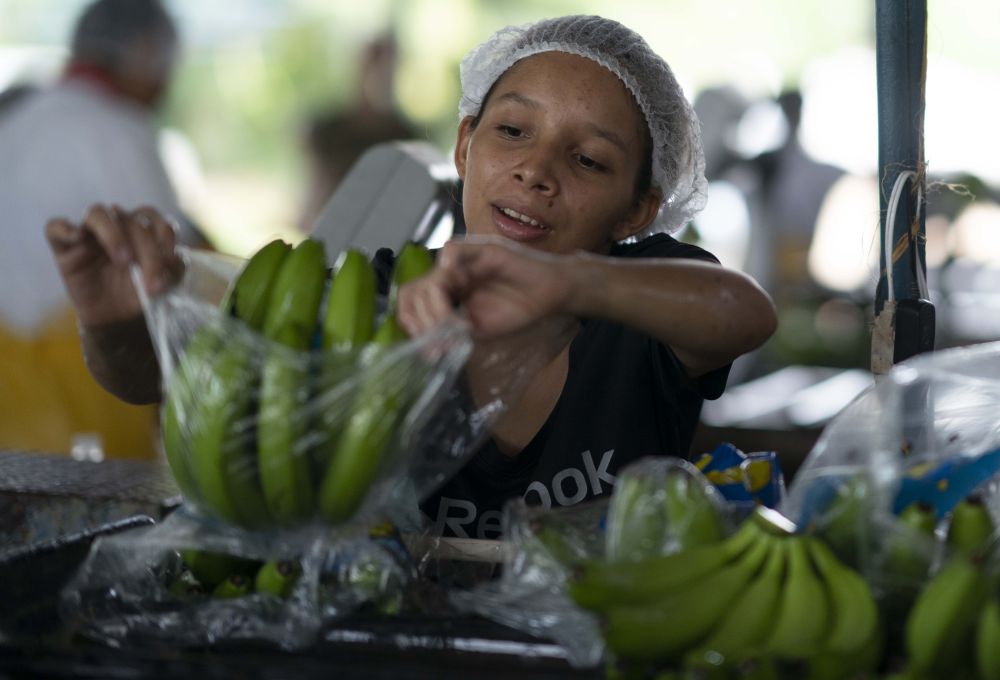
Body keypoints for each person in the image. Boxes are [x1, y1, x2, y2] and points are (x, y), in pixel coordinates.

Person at [44, 16, 776, 534]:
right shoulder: (367, 299)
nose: (535, 170)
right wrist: (115, 320)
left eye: (588, 160)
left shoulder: (643, 307)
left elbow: (744, 313)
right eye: (512, 131)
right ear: (464, 145)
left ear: (638, 209)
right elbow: (150, 379)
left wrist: (576, 285)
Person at [0, 0, 202, 458]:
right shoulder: (119, 128)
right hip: (78, 399)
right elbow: (173, 268)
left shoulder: (14, 116)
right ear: (148, 53)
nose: (163, 88)